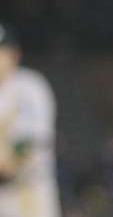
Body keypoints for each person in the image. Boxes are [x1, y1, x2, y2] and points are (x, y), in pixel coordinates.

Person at [0, 24, 60, 217]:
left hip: (28, 199)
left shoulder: (30, 87)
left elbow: (30, 145)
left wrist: (9, 156)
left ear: (14, 54)